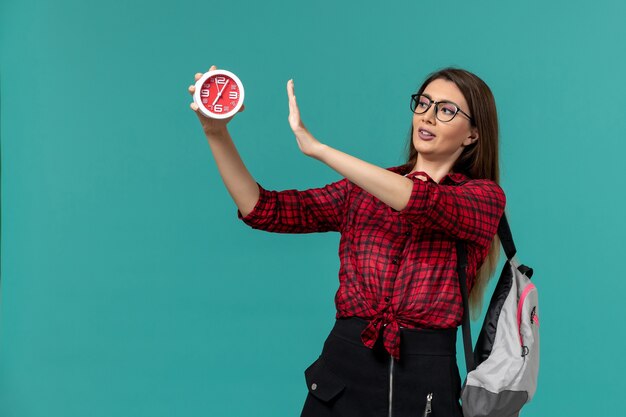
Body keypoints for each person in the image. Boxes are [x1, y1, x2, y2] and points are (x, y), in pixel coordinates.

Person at [188, 65, 506, 417]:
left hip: (424, 383)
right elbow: (264, 209)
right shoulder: (362, 192)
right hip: (342, 373)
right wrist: (215, 133)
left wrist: (320, 149)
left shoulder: (483, 199)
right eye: (424, 103)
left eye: (446, 110)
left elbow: (420, 201)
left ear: (472, 135)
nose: (428, 117)